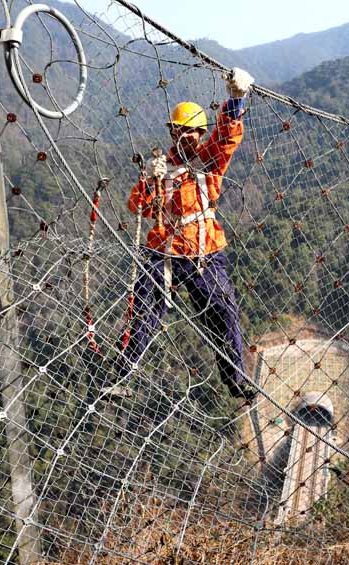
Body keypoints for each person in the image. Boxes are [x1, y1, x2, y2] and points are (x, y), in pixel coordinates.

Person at [115, 67, 256, 403]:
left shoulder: (209, 162)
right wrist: (150, 178)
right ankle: (122, 376)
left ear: (201, 134)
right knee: (146, 312)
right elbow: (137, 206)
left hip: (205, 253)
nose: (189, 137)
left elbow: (227, 137)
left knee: (224, 313)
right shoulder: (161, 169)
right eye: (183, 131)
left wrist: (236, 100)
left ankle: (235, 380)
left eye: (195, 132)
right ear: (174, 132)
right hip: (165, 253)